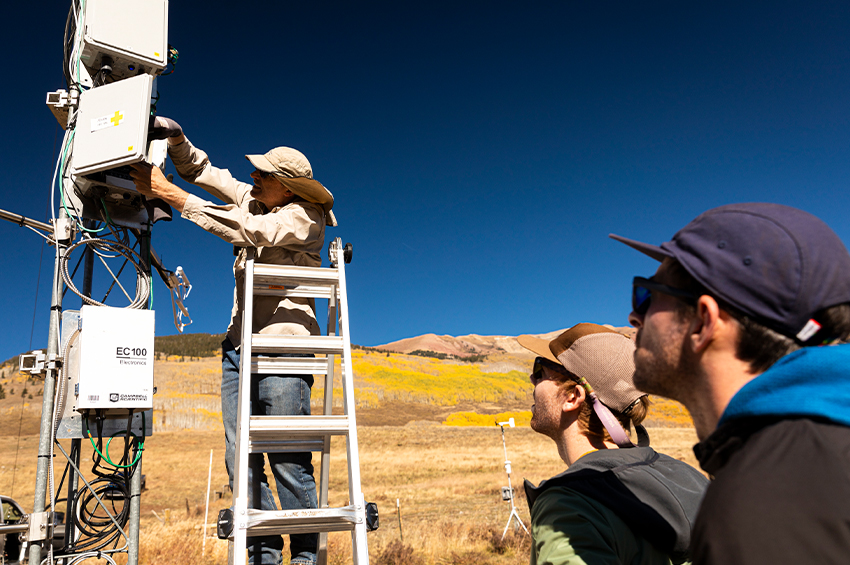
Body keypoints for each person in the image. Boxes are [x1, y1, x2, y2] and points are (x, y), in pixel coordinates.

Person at [131, 117, 337, 565]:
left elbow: (249, 230)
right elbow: (205, 172)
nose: (253, 178)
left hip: (284, 350)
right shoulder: (258, 200)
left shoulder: (306, 217)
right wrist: (177, 139)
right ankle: (261, 553)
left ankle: (305, 557)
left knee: (286, 459)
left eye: (264, 174)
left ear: (288, 187)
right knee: (239, 458)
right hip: (238, 349)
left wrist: (168, 194)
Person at [610, 202, 850, 564]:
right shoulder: (818, 455)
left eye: (647, 295)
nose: (633, 315)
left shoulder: (767, 500)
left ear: (704, 321)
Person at [518, 323, 707, 565]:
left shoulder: (569, 506)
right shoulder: (687, 477)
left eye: (540, 371)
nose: (532, 378)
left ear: (572, 397)